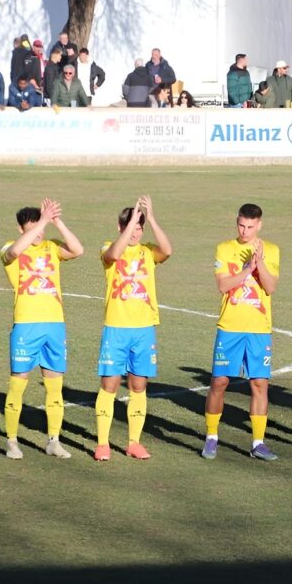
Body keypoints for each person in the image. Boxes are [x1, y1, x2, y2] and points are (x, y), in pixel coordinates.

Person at [1, 199, 84, 459]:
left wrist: (56, 220)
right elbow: (13, 253)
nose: (38, 234)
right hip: (26, 326)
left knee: (55, 387)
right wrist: (44, 221)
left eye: (40, 228)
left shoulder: (52, 247)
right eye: (31, 229)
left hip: (54, 325)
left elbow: (78, 249)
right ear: (20, 229)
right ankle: (12, 441)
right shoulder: (10, 248)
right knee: (18, 385)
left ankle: (54, 440)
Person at [94, 196, 172, 461]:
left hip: (144, 329)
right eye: (131, 228)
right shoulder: (109, 247)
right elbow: (113, 254)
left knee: (139, 386)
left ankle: (134, 442)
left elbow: (168, 250)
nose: (136, 233)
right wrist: (130, 225)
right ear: (120, 227)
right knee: (110, 384)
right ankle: (103, 444)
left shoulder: (149, 251)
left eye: (139, 229)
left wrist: (149, 218)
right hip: (116, 327)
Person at [201, 204, 281, 461]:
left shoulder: (272, 250)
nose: (244, 231)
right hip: (230, 327)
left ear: (259, 225)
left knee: (259, 384)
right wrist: (247, 269)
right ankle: (211, 437)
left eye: (250, 226)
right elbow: (223, 285)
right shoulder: (224, 249)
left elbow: (269, 288)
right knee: (219, 382)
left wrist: (260, 264)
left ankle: (258, 443)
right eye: (241, 225)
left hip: (259, 329)